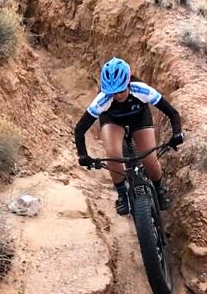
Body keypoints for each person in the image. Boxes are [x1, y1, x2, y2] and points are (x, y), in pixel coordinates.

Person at [73, 57, 184, 216]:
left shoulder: (142, 90)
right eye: (112, 92)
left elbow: (172, 113)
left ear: (127, 84)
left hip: (139, 118)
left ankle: (159, 189)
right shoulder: (103, 100)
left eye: (120, 90)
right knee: (113, 155)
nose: (116, 96)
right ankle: (122, 194)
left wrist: (177, 133)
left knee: (149, 158)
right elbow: (80, 129)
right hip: (113, 121)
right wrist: (82, 155)